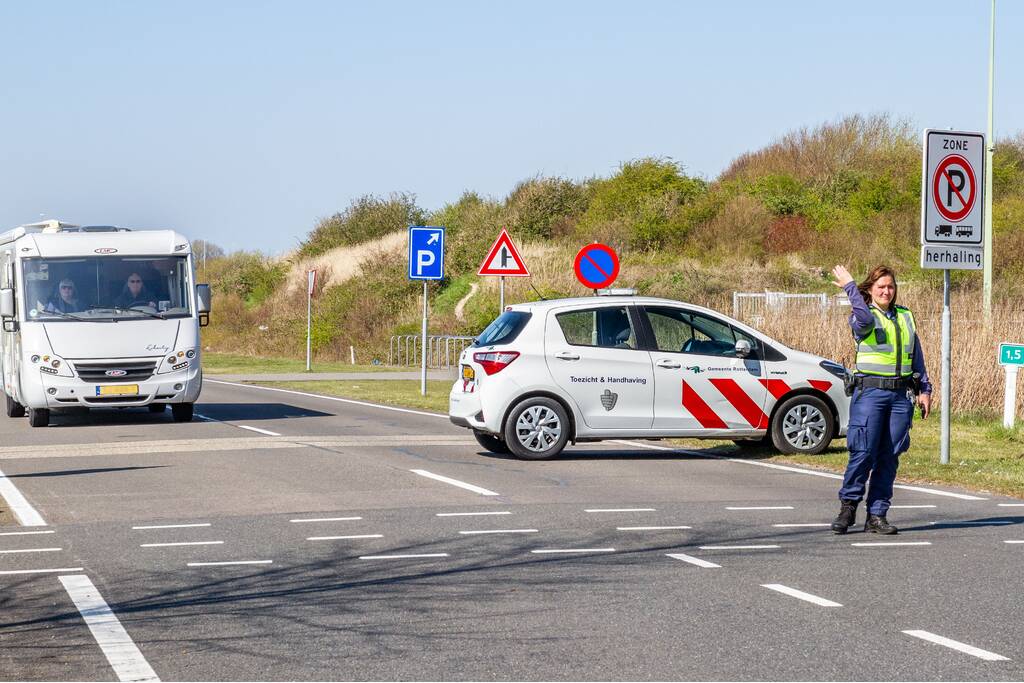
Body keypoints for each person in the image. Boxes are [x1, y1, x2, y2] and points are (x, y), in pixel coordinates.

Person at [829, 264, 932, 535]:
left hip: (900, 396)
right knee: (863, 453)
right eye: (881, 287)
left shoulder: (905, 316)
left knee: (890, 456)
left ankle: (877, 515)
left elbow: (916, 354)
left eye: (890, 286)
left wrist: (925, 389)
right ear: (871, 290)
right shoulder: (862, 316)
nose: (887, 291)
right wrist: (851, 287)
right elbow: (863, 317)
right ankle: (848, 508)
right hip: (871, 394)